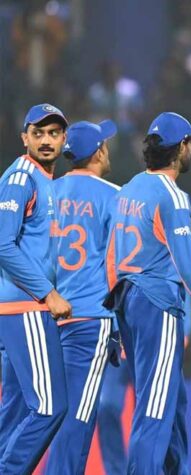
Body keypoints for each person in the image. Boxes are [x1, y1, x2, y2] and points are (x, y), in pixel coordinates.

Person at [104, 111, 191, 473]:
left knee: (172, 403)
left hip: (127, 300)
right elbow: (188, 267)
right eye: (190, 142)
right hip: (157, 305)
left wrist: (113, 315)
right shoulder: (172, 197)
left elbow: (111, 256)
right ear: (181, 148)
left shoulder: (129, 188)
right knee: (154, 410)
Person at [45, 119, 123, 473]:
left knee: (53, 416)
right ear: (99, 152)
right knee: (78, 418)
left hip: (45, 317)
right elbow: (119, 265)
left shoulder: (46, 192)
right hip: (90, 319)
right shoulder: (114, 195)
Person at [0, 103, 72, 472]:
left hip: (22, 307)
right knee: (49, 407)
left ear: (64, 139)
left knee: (15, 411)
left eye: (53, 133)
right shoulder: (21, 178)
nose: (46, 140)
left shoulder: (44, 180)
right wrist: (48, 293)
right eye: (38, 133)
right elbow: (2, 244)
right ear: (24, 137)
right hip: (26, 307)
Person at [97, 297, 191, 475]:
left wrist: (184, 328)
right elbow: (107, 290)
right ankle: (116, 471)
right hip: (120, 341)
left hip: (155, 341)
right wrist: (116, 332)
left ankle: (170, 469)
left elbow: (179, 285)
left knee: (158, 411)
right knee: (106, 406)